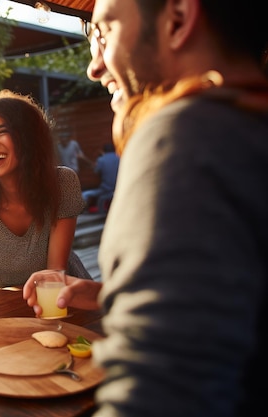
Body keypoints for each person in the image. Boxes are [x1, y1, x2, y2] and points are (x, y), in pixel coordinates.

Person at [24, 0, 268, 416]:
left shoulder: (183, 136)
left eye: (105, 33)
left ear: (177, 18)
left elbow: (158, 398)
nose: (94, 67)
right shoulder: (247, 128)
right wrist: (111, 297)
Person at [0, 89, 89, 288]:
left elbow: (54, 275)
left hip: (63, 299)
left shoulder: (62, 182)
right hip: (2, 308)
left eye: (3, 131)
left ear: (29, 138)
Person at [81, 142, 119, 213]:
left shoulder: (101, 159)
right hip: (117, 188)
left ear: (104, 151)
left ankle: (84, 212)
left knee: (85, 194)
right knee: (101, 199)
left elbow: (96, 171)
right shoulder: (119, 158)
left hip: (106, 188)